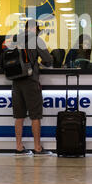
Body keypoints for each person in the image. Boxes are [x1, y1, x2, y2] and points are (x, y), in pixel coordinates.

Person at [11, 20, 53, 156]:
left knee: (19, 116)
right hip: (30, 81)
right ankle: (37, 148)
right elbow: (48, 59)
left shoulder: (15, 39)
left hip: (16, 81)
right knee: (35, 115)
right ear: (35, 29)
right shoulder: (36, 41)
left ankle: (18, 146)